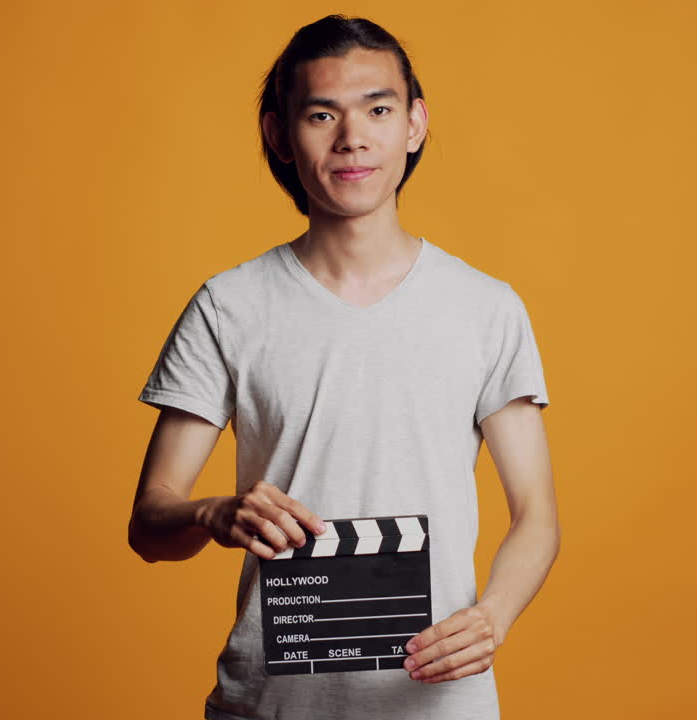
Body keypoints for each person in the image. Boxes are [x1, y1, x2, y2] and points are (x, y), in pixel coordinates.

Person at [129, 14, 559, 720]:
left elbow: (537, 514)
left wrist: (495, 615)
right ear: (279, 135)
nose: (353, 137)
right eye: (322, 113)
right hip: (270, 703)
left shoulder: (486, 307)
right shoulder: (228, 307)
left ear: (414, 124)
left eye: (378, 109)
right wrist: (214, 511)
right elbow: (150, 521)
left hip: (436, 704)